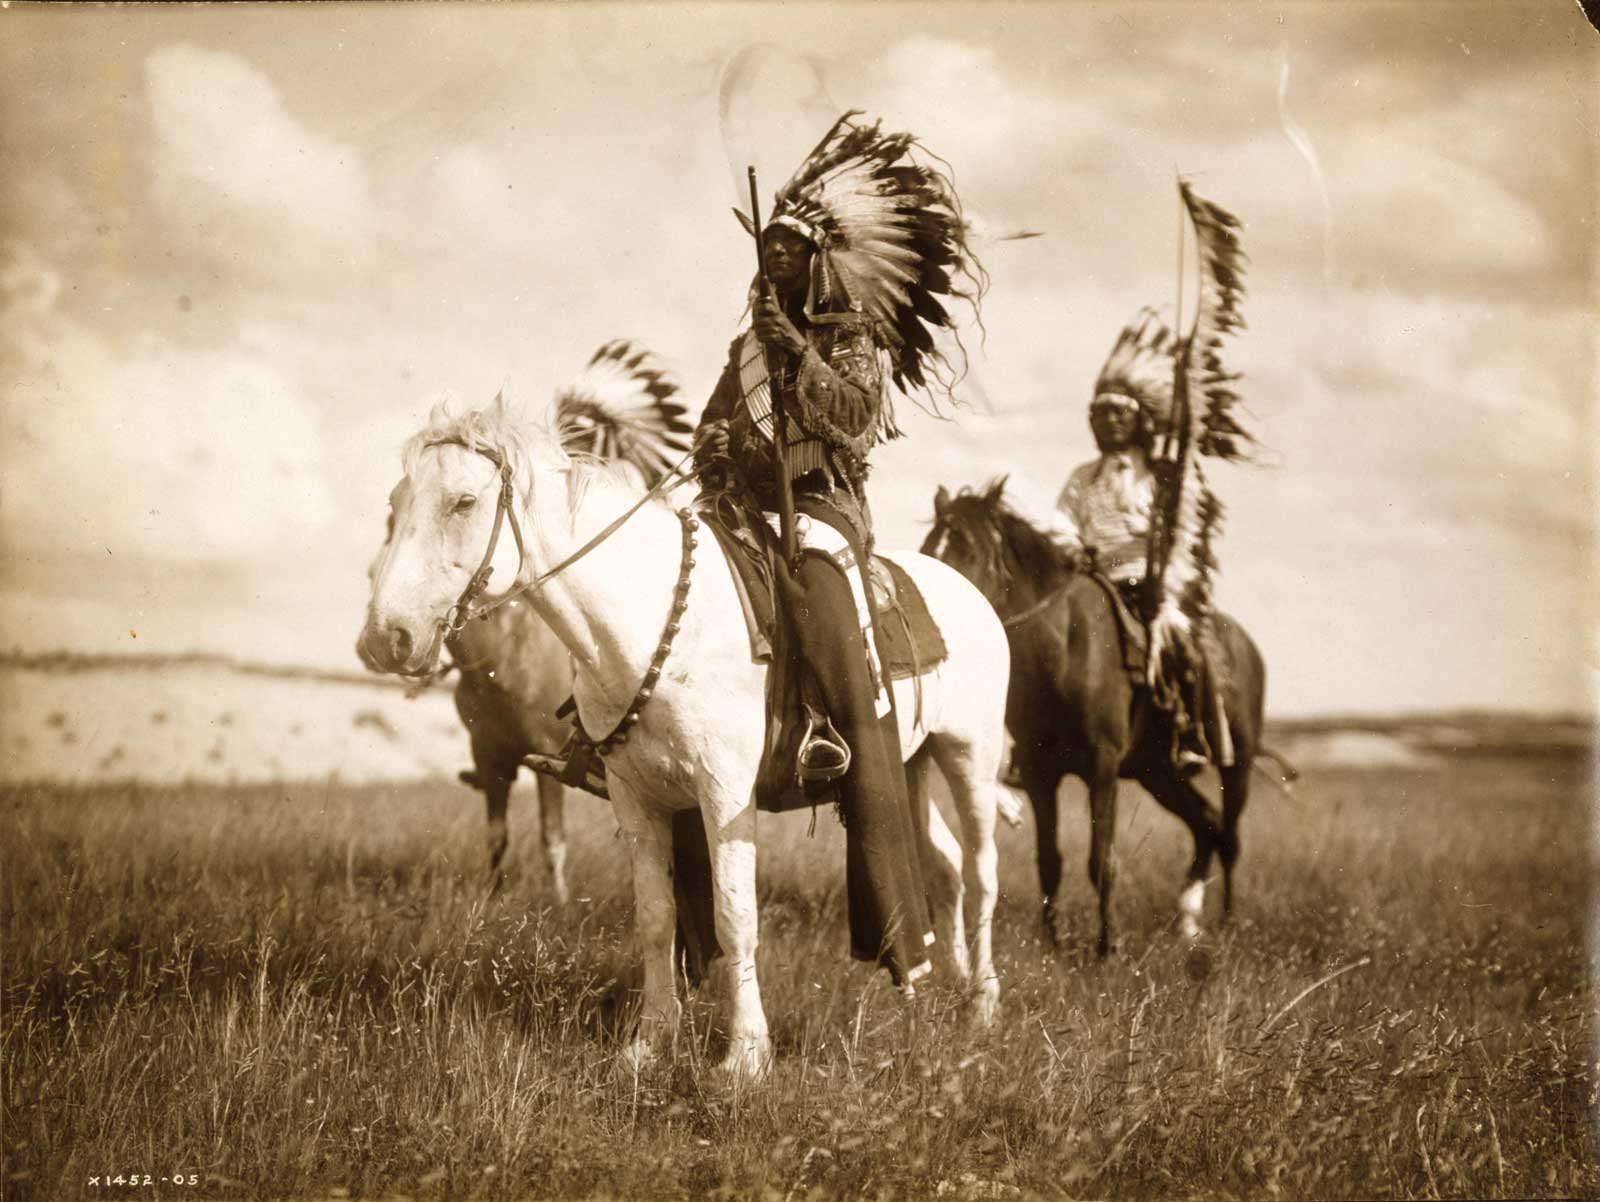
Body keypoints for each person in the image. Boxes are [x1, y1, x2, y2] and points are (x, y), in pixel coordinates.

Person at [694, 112, 984, 989]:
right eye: (768, 250)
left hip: (823, 509)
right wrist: (714, 454)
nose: (775, 259)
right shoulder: (746, 345)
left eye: (790, 249)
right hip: (745, 509)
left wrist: (800, 356)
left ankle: (839, 737)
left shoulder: (847, 337)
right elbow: (712, 424)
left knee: (821, 599)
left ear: (817, 258)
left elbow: (856, 424)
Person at [1054, 308, 1214, 776]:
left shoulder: (1163, 477)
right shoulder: (1082, 478)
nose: (1109, 422)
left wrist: (1164, 572)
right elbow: (1061, 523)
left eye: (1118, 413)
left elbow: (1187, 531)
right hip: (1093, 582)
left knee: (1178, 641)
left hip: (1151, 585)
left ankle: (1188, 731)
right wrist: (1073, 549)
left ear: (1138, 419)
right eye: (1100, 414)